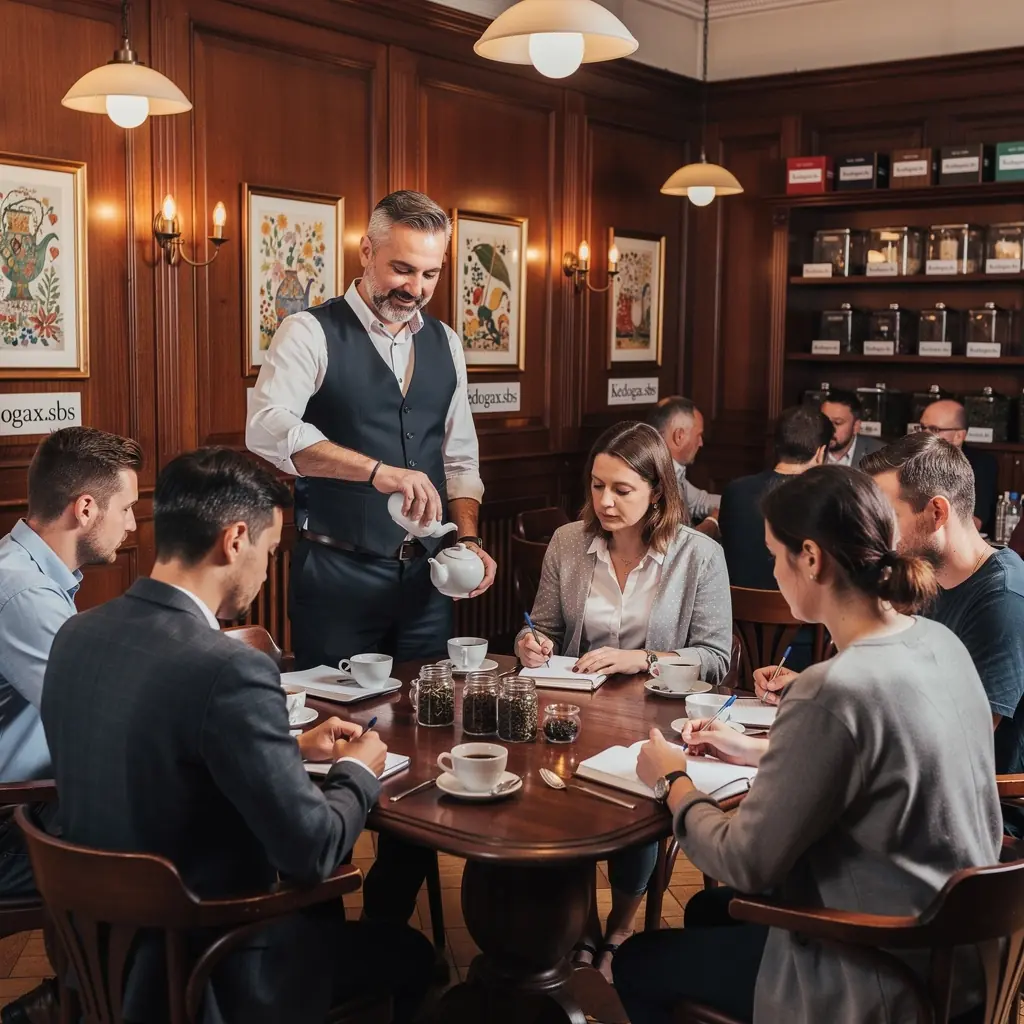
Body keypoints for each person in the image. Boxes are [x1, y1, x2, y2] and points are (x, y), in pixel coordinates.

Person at [41, 449, 433, 1024]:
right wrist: (359, 768)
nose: (268, 570)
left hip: (98, 958)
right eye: (270, 552)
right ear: (235, 540)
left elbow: (161, 757)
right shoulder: (228, 667)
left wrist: (291, 748)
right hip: (209, 970)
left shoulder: (77, 634)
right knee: (414, 956)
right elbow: (311, 853)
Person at [615, 465, 1001, 1024]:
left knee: (638, 962)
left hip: (879, 976)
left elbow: (744, 862)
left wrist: (671, 779)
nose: (773, 571)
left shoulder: (831, 688)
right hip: (963, 958)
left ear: (812, 559)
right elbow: (883, 760)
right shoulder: (939, 642)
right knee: (708, 909)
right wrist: (754, 751)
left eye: (775, 555)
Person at [246, 189, 497, 929]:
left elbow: (461, 459)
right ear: (365, 251)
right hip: (336, 577)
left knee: (425, 741)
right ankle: (318, 930)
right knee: (329, 745)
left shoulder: (446, 343)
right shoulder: (311, 331)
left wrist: (467, 538)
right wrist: (376, 471)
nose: (414, 287)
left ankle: (388, 923)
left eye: (430, 273)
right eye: (401, 268)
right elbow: (267, 428)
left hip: (423, 584)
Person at [514, 421, 731, 980]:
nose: (604, 502)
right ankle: (582, 926)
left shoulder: (699, 555)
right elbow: (543, 627)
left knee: (634, 808)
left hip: (655, 718)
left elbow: (714, 658)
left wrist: (642, 659)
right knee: (553, 804)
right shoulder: (569, 542)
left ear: (657, 491)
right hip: (573, 711)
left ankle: (620, 928)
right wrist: (529, 644)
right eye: (596, 486)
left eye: (621, 489)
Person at [0, 427, 141, 1024]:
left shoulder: (25, 572)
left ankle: (82, 997)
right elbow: (103, 714)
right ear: (85, 508)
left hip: (30, 801)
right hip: (10, 825)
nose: (132, 524)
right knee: (170, 837)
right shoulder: (24, 593)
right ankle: (81, 1004)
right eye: (126, 508)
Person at [858, 433, 1024, 833]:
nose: (879, 534)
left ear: (936, 512)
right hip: (922, 788)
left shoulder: (1003, 598)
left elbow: (961, 738)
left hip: (980, 817)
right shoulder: (932, 576)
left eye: (889, 517)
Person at [718, 405, 831, 590]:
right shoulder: (827, 498)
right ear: (820, 453)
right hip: (798, 608)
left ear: (776, 446)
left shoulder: (735, 491)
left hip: (736, 606)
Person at [919, 398, 999, 535]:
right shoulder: (913, 462)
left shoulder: (982, 465)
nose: (924, 435)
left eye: (934, 429)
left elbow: (974, 523)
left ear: (959, 436)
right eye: (922, 427)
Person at [645, 396, 719, 527]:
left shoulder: (674, 470)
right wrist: (712, 524)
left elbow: (700, 501)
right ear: (679, 436)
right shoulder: (654, 480)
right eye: (698, 435)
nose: (701, 443)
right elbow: (675, 539)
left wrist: (742, 498)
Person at [819, 388, 885, 467]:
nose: (829, 429)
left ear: (856, 426)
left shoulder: (879, 455)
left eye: (837, 423)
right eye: (824, 421)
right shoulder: (809, 450)